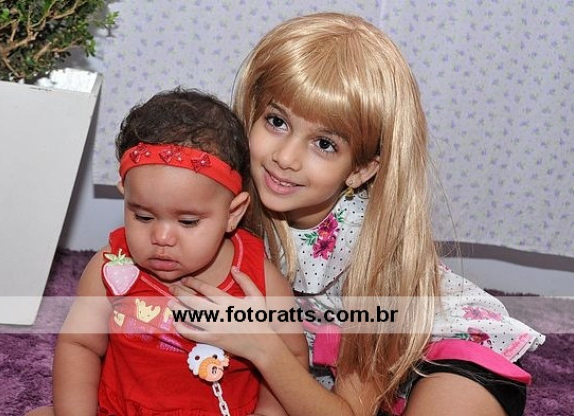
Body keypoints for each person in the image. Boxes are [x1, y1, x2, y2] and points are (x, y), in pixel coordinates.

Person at [170, 13, 545, 416]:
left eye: (324, 144)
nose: (286, 157)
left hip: (447, 352)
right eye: (277, 122)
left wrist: (262, 346)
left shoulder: (374, 252)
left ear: (361, 169)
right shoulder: (228, 199)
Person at [29, 89, 307, 415]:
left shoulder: (258, 281)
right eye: (143, 216)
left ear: (232, 213)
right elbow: (80, 344)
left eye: (188, 222)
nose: (161, 237)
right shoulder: (111, 268)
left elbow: (290, 355)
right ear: (126, 195)